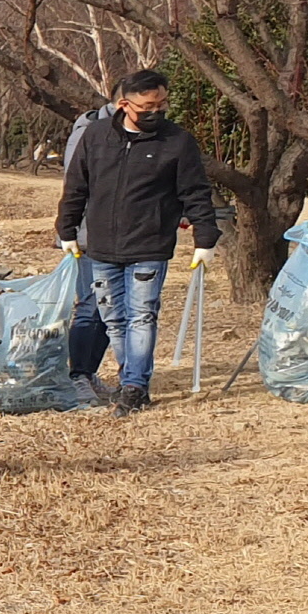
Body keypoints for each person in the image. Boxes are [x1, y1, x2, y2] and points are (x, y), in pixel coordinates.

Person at [54, 70, 219, 415]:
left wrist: (205, 237)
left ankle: (134, 386)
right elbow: (76, 187)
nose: (156, 112)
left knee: (142, 315)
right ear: (124, 104)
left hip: (149, 244)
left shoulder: (177, 141)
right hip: (101, 244)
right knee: (114, 318)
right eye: (147, 106)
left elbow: (195, 192)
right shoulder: (96, 135)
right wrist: (66, 230)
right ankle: (130, 374)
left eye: (162, 104)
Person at [60, 94, 116, 404]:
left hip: (121, 235)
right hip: (88, 234)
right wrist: (70, 232)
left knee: (111, 307)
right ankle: (77, 375)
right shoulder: (90, 130)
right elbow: (77, 185)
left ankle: (89, 370)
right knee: (90, 305)